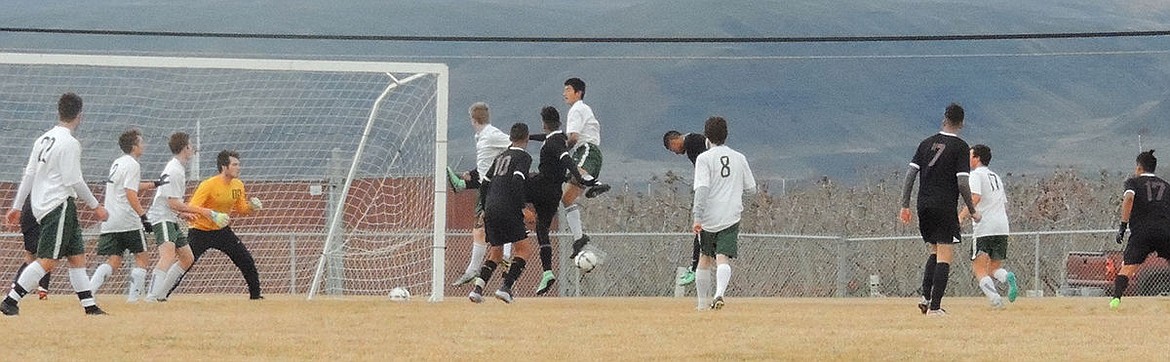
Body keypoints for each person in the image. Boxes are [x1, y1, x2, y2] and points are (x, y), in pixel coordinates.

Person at [2, 92, 109, 316]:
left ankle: (90, 307)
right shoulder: (70, 143)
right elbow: (74, 181)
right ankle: (11, 300)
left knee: (77, 257)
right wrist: (95, 206)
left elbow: (29, 175)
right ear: (80, 115)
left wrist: (17, 206)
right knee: (47, 261)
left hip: (45, 204)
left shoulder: (42, 139)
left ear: (59, 111)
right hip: (57, 205)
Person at [899, 103, 981, 316]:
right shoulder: (961, 147)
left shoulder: (926, 143)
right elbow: (963, 183)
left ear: (944, 118)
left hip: (923, 204)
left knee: (934, 251)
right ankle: (935, 307)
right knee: (945, 254)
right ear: (962, 123)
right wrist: (971, 210)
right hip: (944, 205)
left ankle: (926, 298)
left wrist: (904, 205)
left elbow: (910, 175)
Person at [176, 150, 264, 300]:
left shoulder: (238, 185)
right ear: (224, 167)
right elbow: (192, 207)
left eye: (238, 164)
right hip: (200, 231)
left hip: (222, 231)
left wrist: (251, 207)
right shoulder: (208, 185)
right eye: (235, 164)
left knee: (245, 260)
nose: (238, 168)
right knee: (186, 262)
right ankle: (162, 293)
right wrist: (212, 215)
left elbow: (241, 209)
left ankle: (256, 296)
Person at [527, 106, 597, 295]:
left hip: (541, 186)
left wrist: (579, 178)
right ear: (559, 123)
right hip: (553, 194)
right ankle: (547, 272)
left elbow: (566, 158)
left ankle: (508, 248)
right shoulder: (558, 138)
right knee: (542, 228)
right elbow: (549, 140)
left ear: (544, 124)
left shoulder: (554, 143)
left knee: (512, 187)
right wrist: (529, 137)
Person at [145, 132, 221, 302]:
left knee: (187, 258)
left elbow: (173, 203)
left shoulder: (177, 168)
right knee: (167, 255)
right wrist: (203, 211)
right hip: (161, 218)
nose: (193, 149)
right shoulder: (174, 170)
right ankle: (151, 297)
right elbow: (172, 203)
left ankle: (161, 295)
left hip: (170, 217)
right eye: (191, 146)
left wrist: (184, 214)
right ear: (185, 148)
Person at [89, 129, 162, 302]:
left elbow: (131, 186)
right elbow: (130, 193)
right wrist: (143, 216)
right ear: (134, 146)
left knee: (114, 260)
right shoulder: (133, 164)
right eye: (141, 142)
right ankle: (133, 299)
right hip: (128, 220)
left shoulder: (117, 163)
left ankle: (88, 291)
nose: (144, 146)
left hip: (110, 219)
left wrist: (154, 183)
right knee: (142, 258)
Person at [692, 116, 756, 310]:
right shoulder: (739, 158)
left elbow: (702, 189)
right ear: (726, 135)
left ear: (707, 136)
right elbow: (751, 189)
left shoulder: (704, 158)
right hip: (731, 215)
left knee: (704, 258)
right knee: (723, 257)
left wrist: (697, 216)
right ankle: (719, 293)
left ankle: (702, 304)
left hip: (709, 217)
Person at [469, 122, 535, 304]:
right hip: (508, 207)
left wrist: (483, 208)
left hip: (491, 207)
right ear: (527, 138)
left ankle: (477, 290)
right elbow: (516, 181)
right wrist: (523, 208)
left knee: (496, 253)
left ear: (511, 138)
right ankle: (505, 287)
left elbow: (484, 184)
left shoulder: (500, 157)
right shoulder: (524, 158)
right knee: (523, 249)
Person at [449, 102, 514, 286]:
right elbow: (488, 163)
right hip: (486, 187)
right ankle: (501, 262)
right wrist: (473, 173)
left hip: (494, 188)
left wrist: (505, 171)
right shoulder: (481, 137)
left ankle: (476, 269)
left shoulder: (492, 134)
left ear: (472, 119)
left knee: (480, 229)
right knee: (487, 228)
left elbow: (513, 145)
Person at [958, 144, 1019, 308]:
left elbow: (975, 197)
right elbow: (1003, 203)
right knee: (993, 268)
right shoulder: (996, 177)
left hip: (985, 226)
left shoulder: (976, 175)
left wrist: (961, 216)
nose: (968, 159)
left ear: (977, 158)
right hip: (1002, 226)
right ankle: (1007, 277)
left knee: (979, 268)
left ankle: (995, 300)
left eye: (970, 156)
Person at [1110, 150, 1170, 309]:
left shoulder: (1133, 183)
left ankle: (1116, 300)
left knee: (1128, 266)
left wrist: (1123, 225)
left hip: (1142, 232)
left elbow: (1129, 198)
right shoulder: (1166, 185)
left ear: (1139, 168)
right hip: (1165, 230)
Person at [561, 77, 611, 258]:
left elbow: (574, 137)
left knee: (577, 173)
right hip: (589, 153)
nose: (564, 93)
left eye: (567, 89)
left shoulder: (577, 109)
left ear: (578, 92)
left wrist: (561, 151)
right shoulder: (583, 109)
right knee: (567, 199)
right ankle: (579, 237)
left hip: (586, 149)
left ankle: (597, 183)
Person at [663, 130, 709, 287]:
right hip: (716, 192)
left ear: (674, 141)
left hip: (710, 194)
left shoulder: (692, 144)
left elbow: (704, 171)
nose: (675, 153)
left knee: (700, 231)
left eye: (671, 148)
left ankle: (695, 268)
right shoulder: (696, 141)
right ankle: (696, 266)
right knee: (703, 236)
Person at [9, 198, 52, 300]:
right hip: (34, 217)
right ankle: (18, 287)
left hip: (36, 216)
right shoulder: (38, 194)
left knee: (40, 255)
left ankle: (42, 289)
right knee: (41, 255)